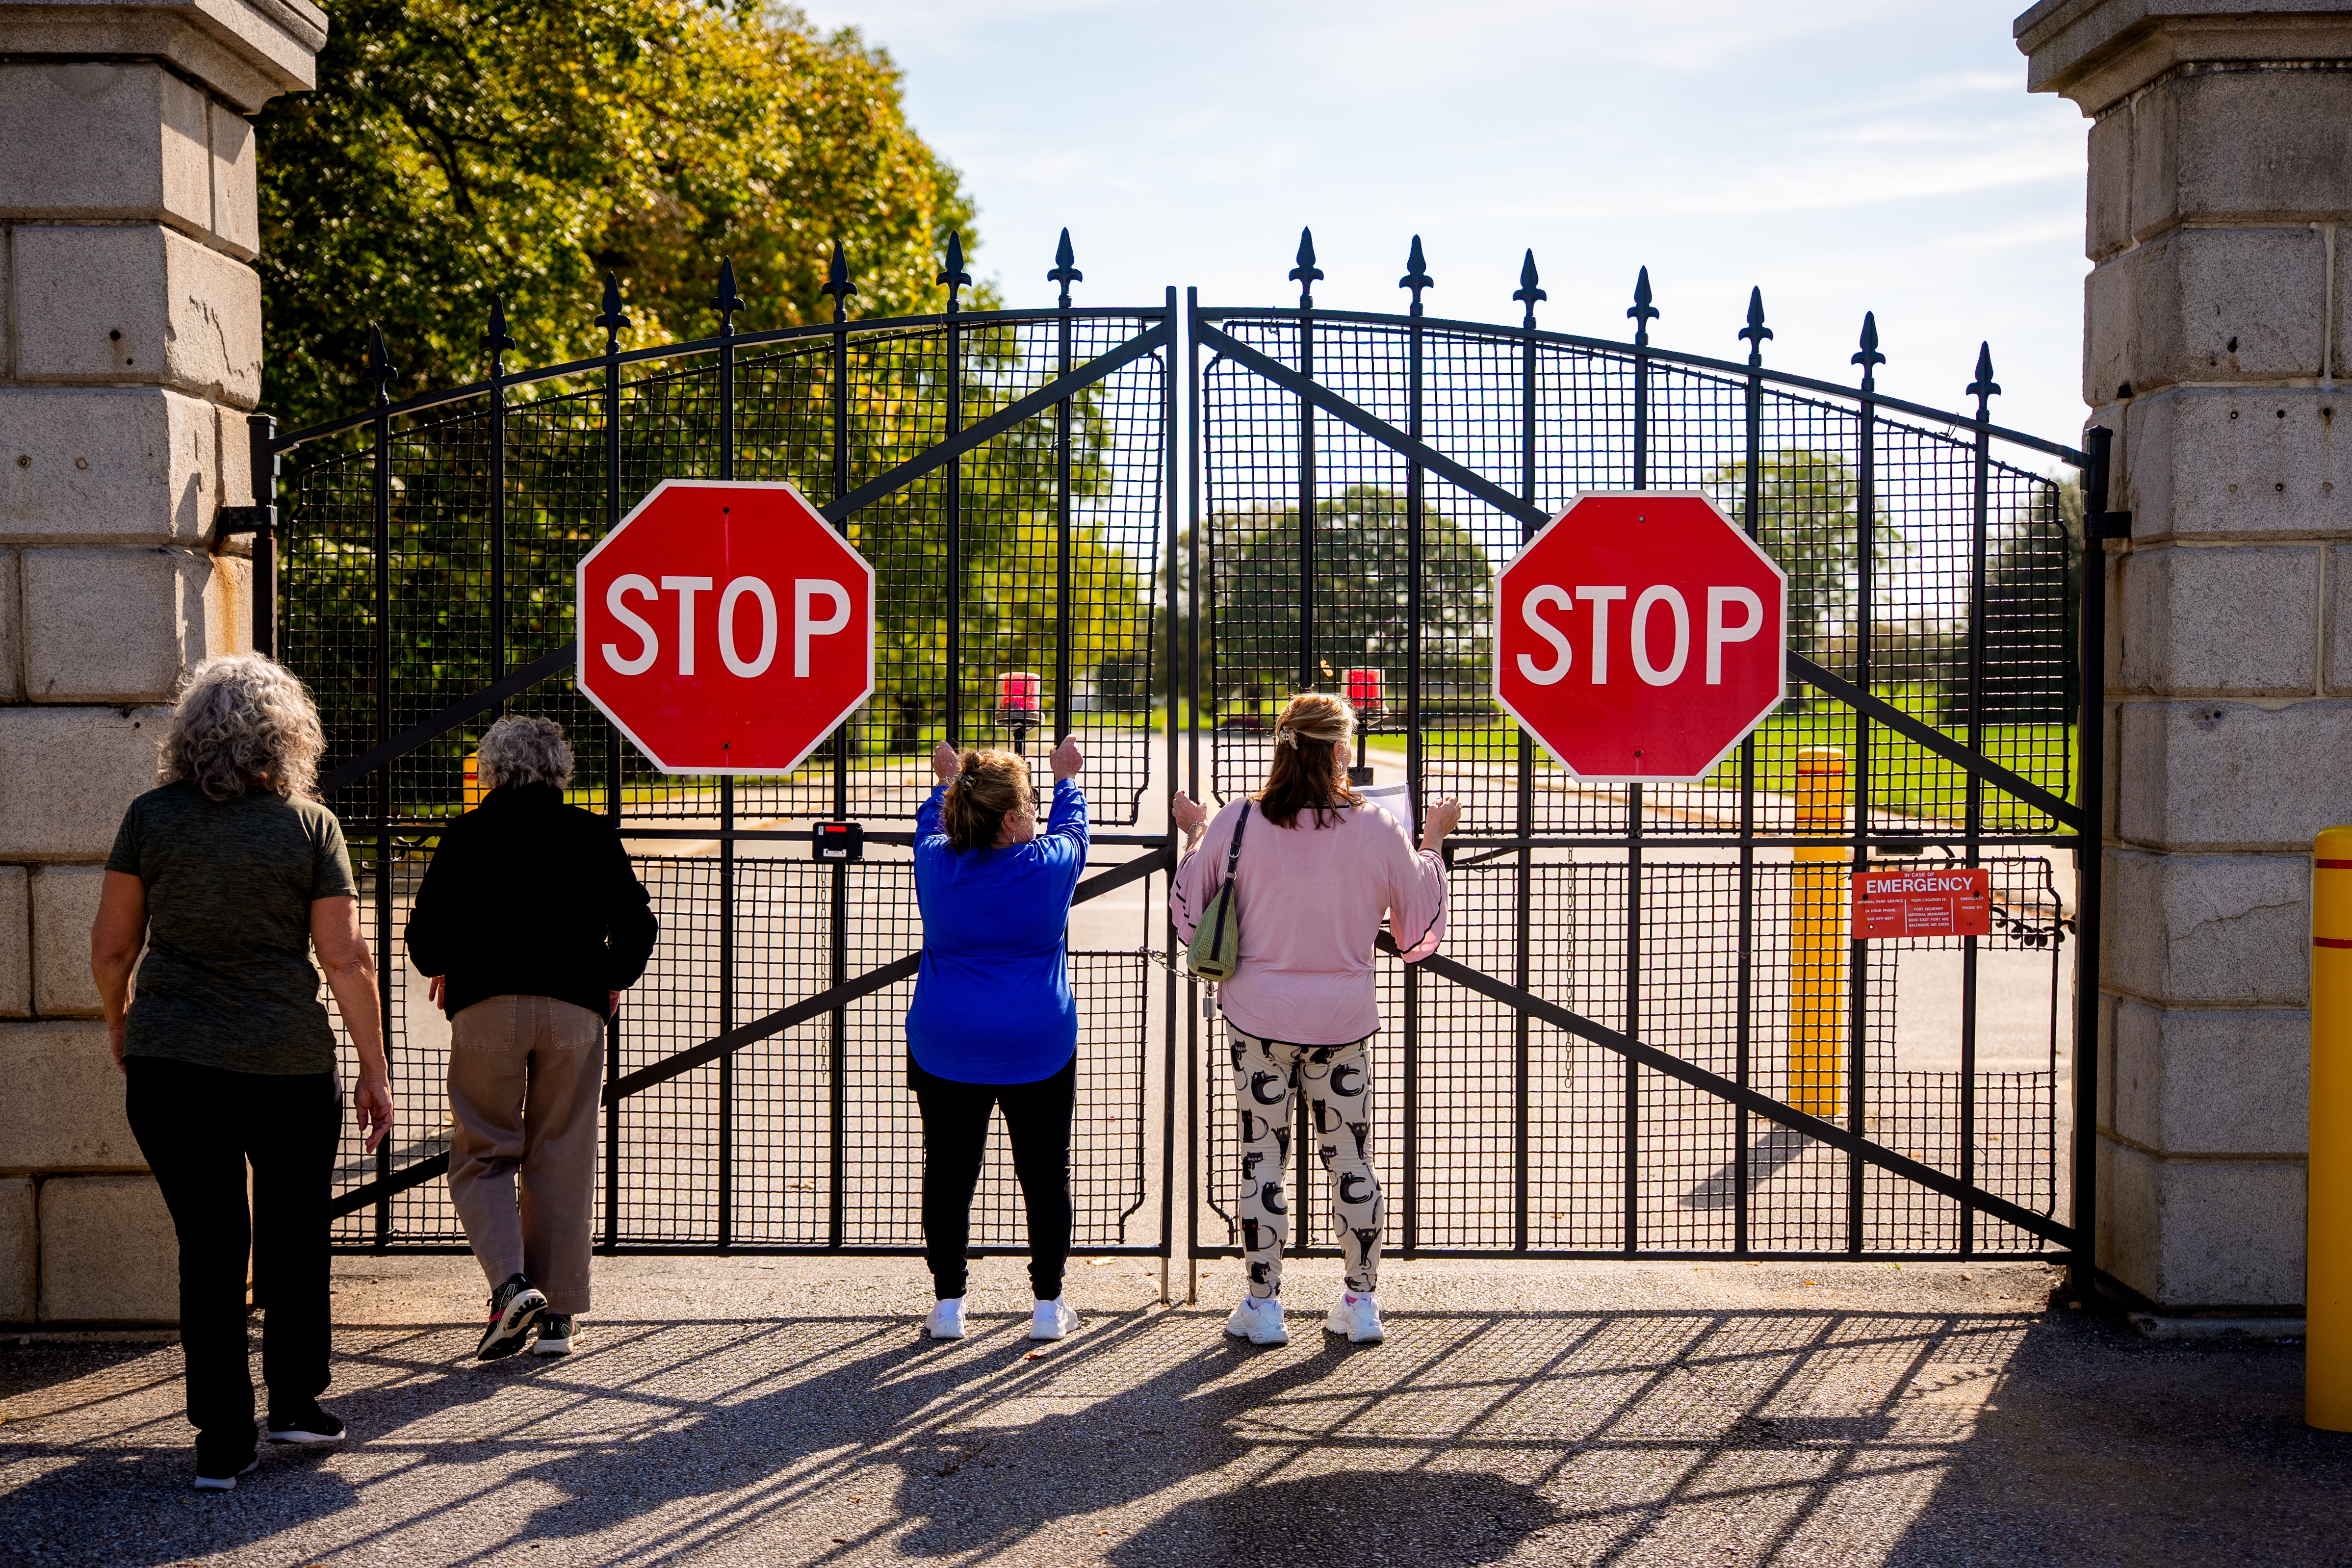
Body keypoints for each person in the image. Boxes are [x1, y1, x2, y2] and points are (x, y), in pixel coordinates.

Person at [90, 654, 396, 1491]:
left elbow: (114, 944)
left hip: (171, 1065)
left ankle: (222, 1441)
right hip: (288, 1069)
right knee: (296, 1237)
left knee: (211, 1247)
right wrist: (376, 1068)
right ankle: (296, 1405)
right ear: (287, 734)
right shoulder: (309, 825)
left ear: (191, 734)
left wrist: (122, 1020)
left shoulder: (151, 818)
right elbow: (348, 959)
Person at [1170, 691, 1457, 1348]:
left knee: (1260, 1158)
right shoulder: (1376, 828)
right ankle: (1359, 1302)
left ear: (1283, 747)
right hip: (1343, 1023)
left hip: (1256, 1019)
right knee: (1352, 1159)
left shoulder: (1238, 820)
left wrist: (1195, 830)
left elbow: (1189, 912)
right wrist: (1434, 840)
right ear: (1336, 751)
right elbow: (1416, 934)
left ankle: (1262, 1304)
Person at [407, 716, 657, 1362]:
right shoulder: (590, 832)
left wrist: (451, 960)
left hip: (487, 1005)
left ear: (490, 770)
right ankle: (559, 1320)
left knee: (483, 1152)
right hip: (575, 1007)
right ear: (558, 770)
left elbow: (425, 941)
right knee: (562, 1153)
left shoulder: (465, 835)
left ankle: (511, 1287)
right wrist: (610, 977)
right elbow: (638, 924)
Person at [905, 734, 1089, 1342]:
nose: (1038, 810)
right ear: (1012, 821)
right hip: (1036, 1040)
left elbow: (929, 820)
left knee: (949, 1169)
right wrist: (1067, 777)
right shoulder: (1047, 866)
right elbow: (1075, 830)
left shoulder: (934, 862)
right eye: (1031, 803)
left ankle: (950, 1301)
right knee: (1045, 1172)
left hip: (946, 1040)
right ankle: (1046, 1304)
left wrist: (943, 780)